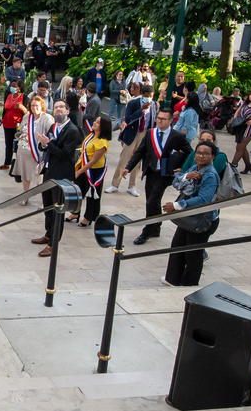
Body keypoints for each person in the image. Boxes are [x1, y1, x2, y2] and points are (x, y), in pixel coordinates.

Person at [122, 107, 193, 245]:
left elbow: (190, 153)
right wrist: (128, 167)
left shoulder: (177, 136)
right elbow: (140, 152)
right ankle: (156, 227)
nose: (159, 121)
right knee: (152, 200)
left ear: (171, 121)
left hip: (165, 174)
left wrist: (182, 167)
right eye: (158, 118)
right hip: (151, 171)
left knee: (152, 201)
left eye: (163, 119)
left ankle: (147, 231)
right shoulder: (150, 133)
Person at [162, 140, 221, 286]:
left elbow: (203, 199)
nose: (201, 156)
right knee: (178, 246)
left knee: (193, 253)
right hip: (189, 215)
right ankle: (173, 279)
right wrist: (186, 176)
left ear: (213, 156)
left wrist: (176, 205)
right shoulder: (195, 168)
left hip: (202, 218)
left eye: (206, 154)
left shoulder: (210, 175)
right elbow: (176, 183)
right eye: (199, 153)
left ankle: (189, 284)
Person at [31, 99, 83, 256]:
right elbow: (45, 145)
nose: (58, 110)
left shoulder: (73, 131)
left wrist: (48, 145)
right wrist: (43, 143)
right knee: (47, 206)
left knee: (57, 210)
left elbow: (65, 154)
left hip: (61, 176)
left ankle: (53, 244)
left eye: (61, 108)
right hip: (49, 172)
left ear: (67, 111)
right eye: (56, 108)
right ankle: (48, 234)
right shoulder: (54, 126)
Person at [71, 116, 111, 227]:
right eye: (95, 121)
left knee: (92, 195)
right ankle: (75, 212)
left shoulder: (102, 142)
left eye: (98, 123)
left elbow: (93, 161)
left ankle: (89, 217)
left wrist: (79, 172)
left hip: (94, 172)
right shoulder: (91, 135)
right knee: (78, 191)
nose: (94, 123)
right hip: (83, 167)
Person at [14, 94, 54, 200]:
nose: (34, 108)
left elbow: (51, 135)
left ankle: (43, 200)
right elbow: (21, 130)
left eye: (37, 105)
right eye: (32, 105)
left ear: (41, 106)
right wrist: (20, 136)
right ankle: (25, 196)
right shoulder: (27, 117)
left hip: (37, 153)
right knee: (25, 175)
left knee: (40, 178)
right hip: (23, 151)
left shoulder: (47, 118)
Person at [230, 88, 251, 174]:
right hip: (240, 128)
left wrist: (243, 121)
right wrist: (236, 120)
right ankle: (248, 165)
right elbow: (237, 112)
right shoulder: (244, 103)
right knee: (242, 147)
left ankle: (232, 166)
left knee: (239, 147)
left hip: (249, 129)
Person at [0, 82, 25, 171]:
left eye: (14, 87)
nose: (12, 88)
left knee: (18, 144)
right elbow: (5, 109)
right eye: (11, 86)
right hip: (7, 123)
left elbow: (27, 111)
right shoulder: (9, 96)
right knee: (8, 144)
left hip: (18, 124)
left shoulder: (23, 97)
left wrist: (22, 107)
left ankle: (19, 164)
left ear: (19, 88)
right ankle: (7, 163)